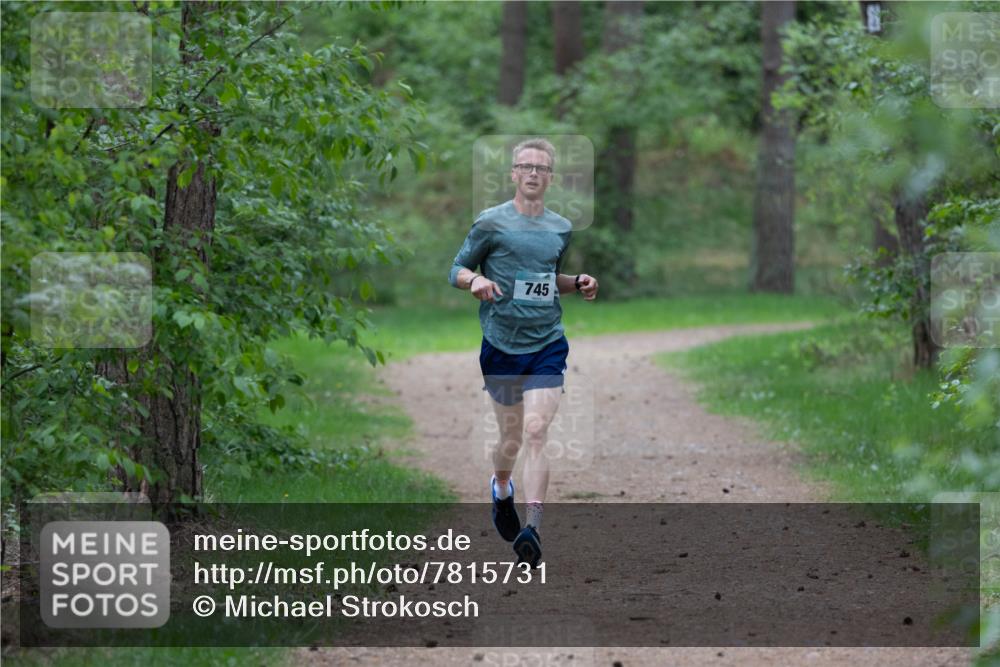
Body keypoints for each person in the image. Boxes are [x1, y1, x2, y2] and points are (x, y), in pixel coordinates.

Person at [448, 138, 598, 567]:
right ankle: (500, 489)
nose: (533, 173)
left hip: (546, 343)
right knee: (510, 438)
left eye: (542, 168)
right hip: (500, 345)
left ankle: (532, 526)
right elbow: (456, 267)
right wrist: (473, 282)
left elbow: (548, 279)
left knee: (535, 431)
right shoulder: (490, 223)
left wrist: (580, 281)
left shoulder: (560, 227)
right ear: (513, 173)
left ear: (551, 178)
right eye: (525, 166)